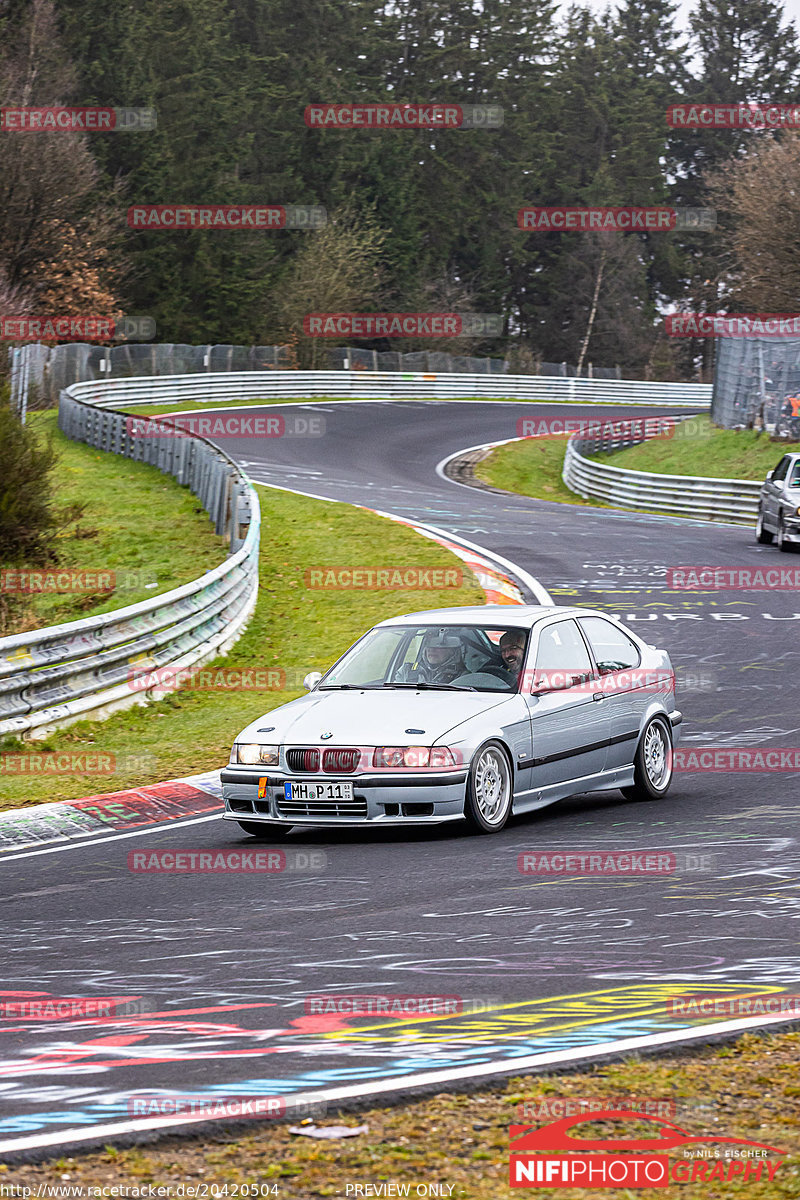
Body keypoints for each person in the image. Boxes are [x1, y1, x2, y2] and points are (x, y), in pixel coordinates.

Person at [396, 630, 466, 685]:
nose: (432, 649)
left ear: (452, 651)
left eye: (439, 645)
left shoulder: (464, 677)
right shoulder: (406, 671)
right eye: (429, 644)